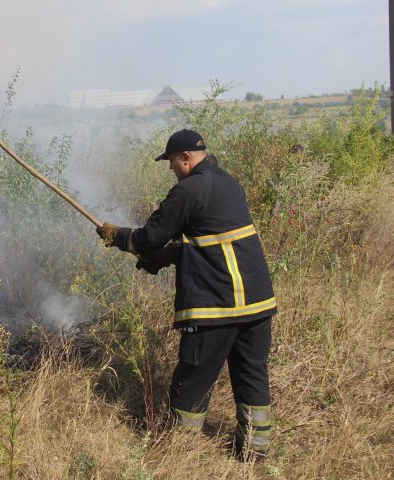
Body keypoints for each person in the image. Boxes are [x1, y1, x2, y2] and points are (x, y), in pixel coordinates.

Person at [96, 129, 276, 460]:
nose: (170, 169)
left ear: (185, 158)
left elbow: (147, 238)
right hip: (258, 303)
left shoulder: (189, 190)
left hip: (217, 307)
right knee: (251, 376)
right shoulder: (228, 183)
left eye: (171, 162)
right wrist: (168, 257)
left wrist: (116, 236)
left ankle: (178, 453)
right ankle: (254, 453)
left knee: (192, 378)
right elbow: (211, 242)